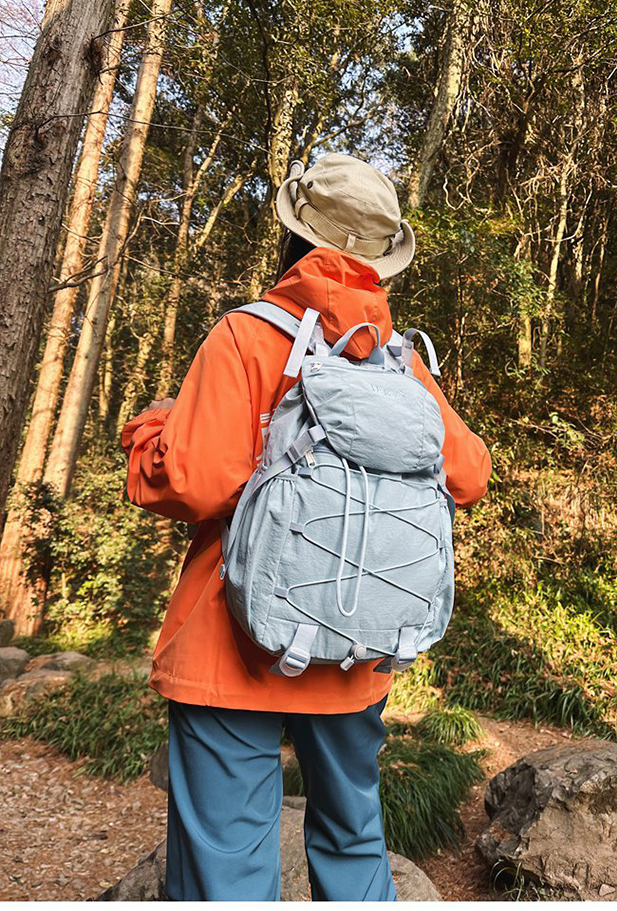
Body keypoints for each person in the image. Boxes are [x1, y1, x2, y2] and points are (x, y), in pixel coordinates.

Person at [121, 152, 492, 901]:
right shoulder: (398, 362)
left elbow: (194, 479)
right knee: (353, 841)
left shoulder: (246, 336)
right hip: (357, 645)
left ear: (295, 236)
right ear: (380, 260)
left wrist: (150, 433)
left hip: (231, 644)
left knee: (227, 869)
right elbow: (470, 472)